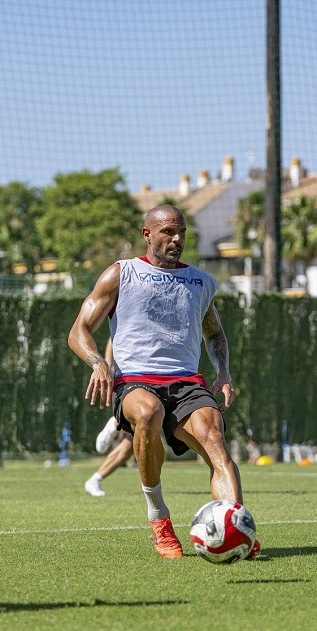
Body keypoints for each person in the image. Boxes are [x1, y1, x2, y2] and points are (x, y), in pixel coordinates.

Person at [69, 204, 259, 560]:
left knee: (215, 440)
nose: (176, 239)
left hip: (186, 381)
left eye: (181, 233)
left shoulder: (200, 282)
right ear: (147, 234)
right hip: (135, 381)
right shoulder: (121, 274)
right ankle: (159, 518)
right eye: (168, 232)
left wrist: (224, 373)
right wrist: (97, 362)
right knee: (148, 412)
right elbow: (78, 330)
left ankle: (237, 526)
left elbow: (215, 334)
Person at [84, 340, 137, 497]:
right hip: (136, 381)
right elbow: (115, 336)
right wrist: (108, 366)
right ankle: (116, 422)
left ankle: (95, 480)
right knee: (135, 437)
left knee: (133, 442)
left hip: (137, 379)